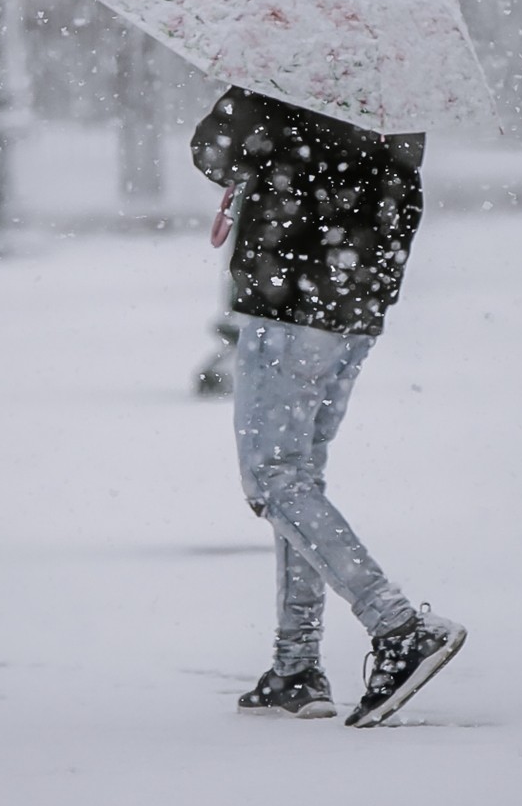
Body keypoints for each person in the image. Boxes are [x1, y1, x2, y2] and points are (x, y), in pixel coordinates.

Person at [191, 85, 465, 727]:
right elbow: (398, 186)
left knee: (272, 478)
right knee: (298, 478)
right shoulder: (393, 89)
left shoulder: (281, 73)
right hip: (353, 304)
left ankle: (398, 626)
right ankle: (295, 667)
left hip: (289, 301)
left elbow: (213, 152)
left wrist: (246, 117)